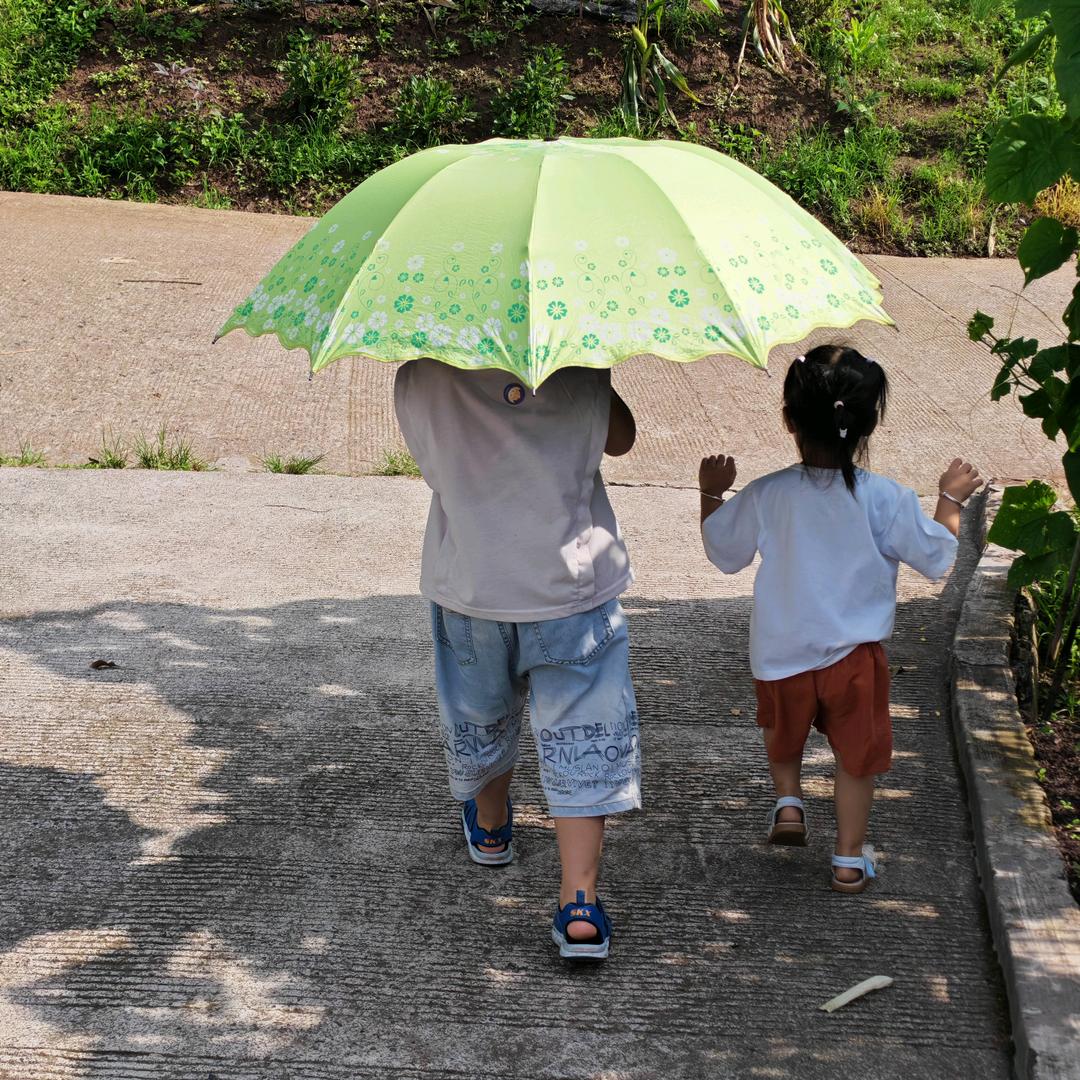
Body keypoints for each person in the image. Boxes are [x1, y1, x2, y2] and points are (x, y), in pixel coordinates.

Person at [697, 344, 982, 893]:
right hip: (855, 656)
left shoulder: (767, 494)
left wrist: (711, 494)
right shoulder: (886, 499)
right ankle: (849, 859)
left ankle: (788, 801)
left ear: (789, 419)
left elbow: (724, 553)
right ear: (869, 422)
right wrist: (950, 499)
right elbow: (936, 557)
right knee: (857, 759)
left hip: (781, 651)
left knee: (781, 733)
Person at [394, 358, 640, 958]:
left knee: (484, 708)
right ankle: (579, 899)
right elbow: (622, 438)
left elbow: (432, 466)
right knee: (582, 730)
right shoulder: (577, 361)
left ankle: (494, 825)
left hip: (474, 586)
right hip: (571, 591)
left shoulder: (421, 374)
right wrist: (595, 374)